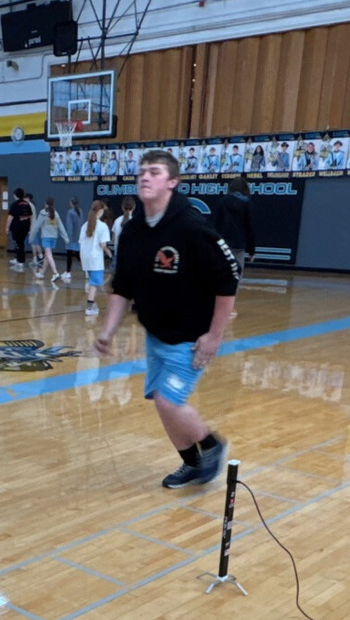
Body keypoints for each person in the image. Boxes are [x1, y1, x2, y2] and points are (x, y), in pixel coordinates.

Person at [94, 149, 240, 489]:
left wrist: (214, 336)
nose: (145, 176)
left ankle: (213, 446)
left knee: (167, 400)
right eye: (142, 170)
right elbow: (122, 287)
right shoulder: (132, 232)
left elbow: (227, 281)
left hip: (191, 337)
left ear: (172, 182)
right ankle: (192, 463)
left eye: (155, 171)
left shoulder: (191, 226)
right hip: (156, 334)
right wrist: (107, 331)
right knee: (161, 404)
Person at [79, 200, 112, 317]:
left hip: (85, 258)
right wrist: (109, 253)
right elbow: (103, 245)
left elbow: (81, 242)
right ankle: (89, 307)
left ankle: (92, 304)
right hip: (95, 259)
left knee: (92, 282)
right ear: (101, 211)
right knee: (94, 284)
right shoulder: (102, 226)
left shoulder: (85, 225)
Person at [31, 197, 69, 282]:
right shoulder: (56, 213)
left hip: (46, 237)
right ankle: (41, 273)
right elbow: (61, 227)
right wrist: (66, 238)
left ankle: (55, 273)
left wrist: (32, 236)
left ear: (45, 204)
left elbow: (36, 226)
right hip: (54, 237)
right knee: (47, 256)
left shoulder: (43, 213)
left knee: (48, 255)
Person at [4, 187, 32, 271]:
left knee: (19, 245)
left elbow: (10, 217)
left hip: (17, 228)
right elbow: (30, 216)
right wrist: (30, 227)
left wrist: (7, 228)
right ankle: (19, 260)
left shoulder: (15, 204)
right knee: (21, 244)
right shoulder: (27, 204)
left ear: (15, 195)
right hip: (25, 227)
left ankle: (20, 262)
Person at [111, 196, 135, 273]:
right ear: (134, 207)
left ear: (122, 207)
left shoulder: (117, 221)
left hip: (118, 255)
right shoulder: (135, 222)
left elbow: (113, 239)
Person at [64, 197, 83, 278]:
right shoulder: (80, 211)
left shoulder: (70, 212)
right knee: (77, 254)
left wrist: (68, 238)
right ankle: (87, 269)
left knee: (70, 255)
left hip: (72, 237)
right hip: (79, 236)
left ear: (71, 203)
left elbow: (69, 226)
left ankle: (68, 272)